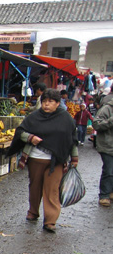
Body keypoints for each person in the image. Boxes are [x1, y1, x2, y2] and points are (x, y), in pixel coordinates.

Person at [8, 89, 78, 232]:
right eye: (44, 101)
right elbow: (20, 132)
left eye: (50, 102)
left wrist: (74, 158)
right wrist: (30, 138)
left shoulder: (66, 119)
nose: (46, 105)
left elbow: (72, 140)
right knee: (35, 186)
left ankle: (50, 221)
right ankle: (33, 212)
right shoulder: (33, 117)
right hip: (36, 158)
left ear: (57, 103)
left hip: (56, 161)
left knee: (52, 190)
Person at [91, 93, 113, 207]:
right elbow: (96, 124)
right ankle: (104, 195)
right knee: (109, 171)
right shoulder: (107, 109)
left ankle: (111, 191)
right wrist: (111, 121)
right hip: (107, 145)